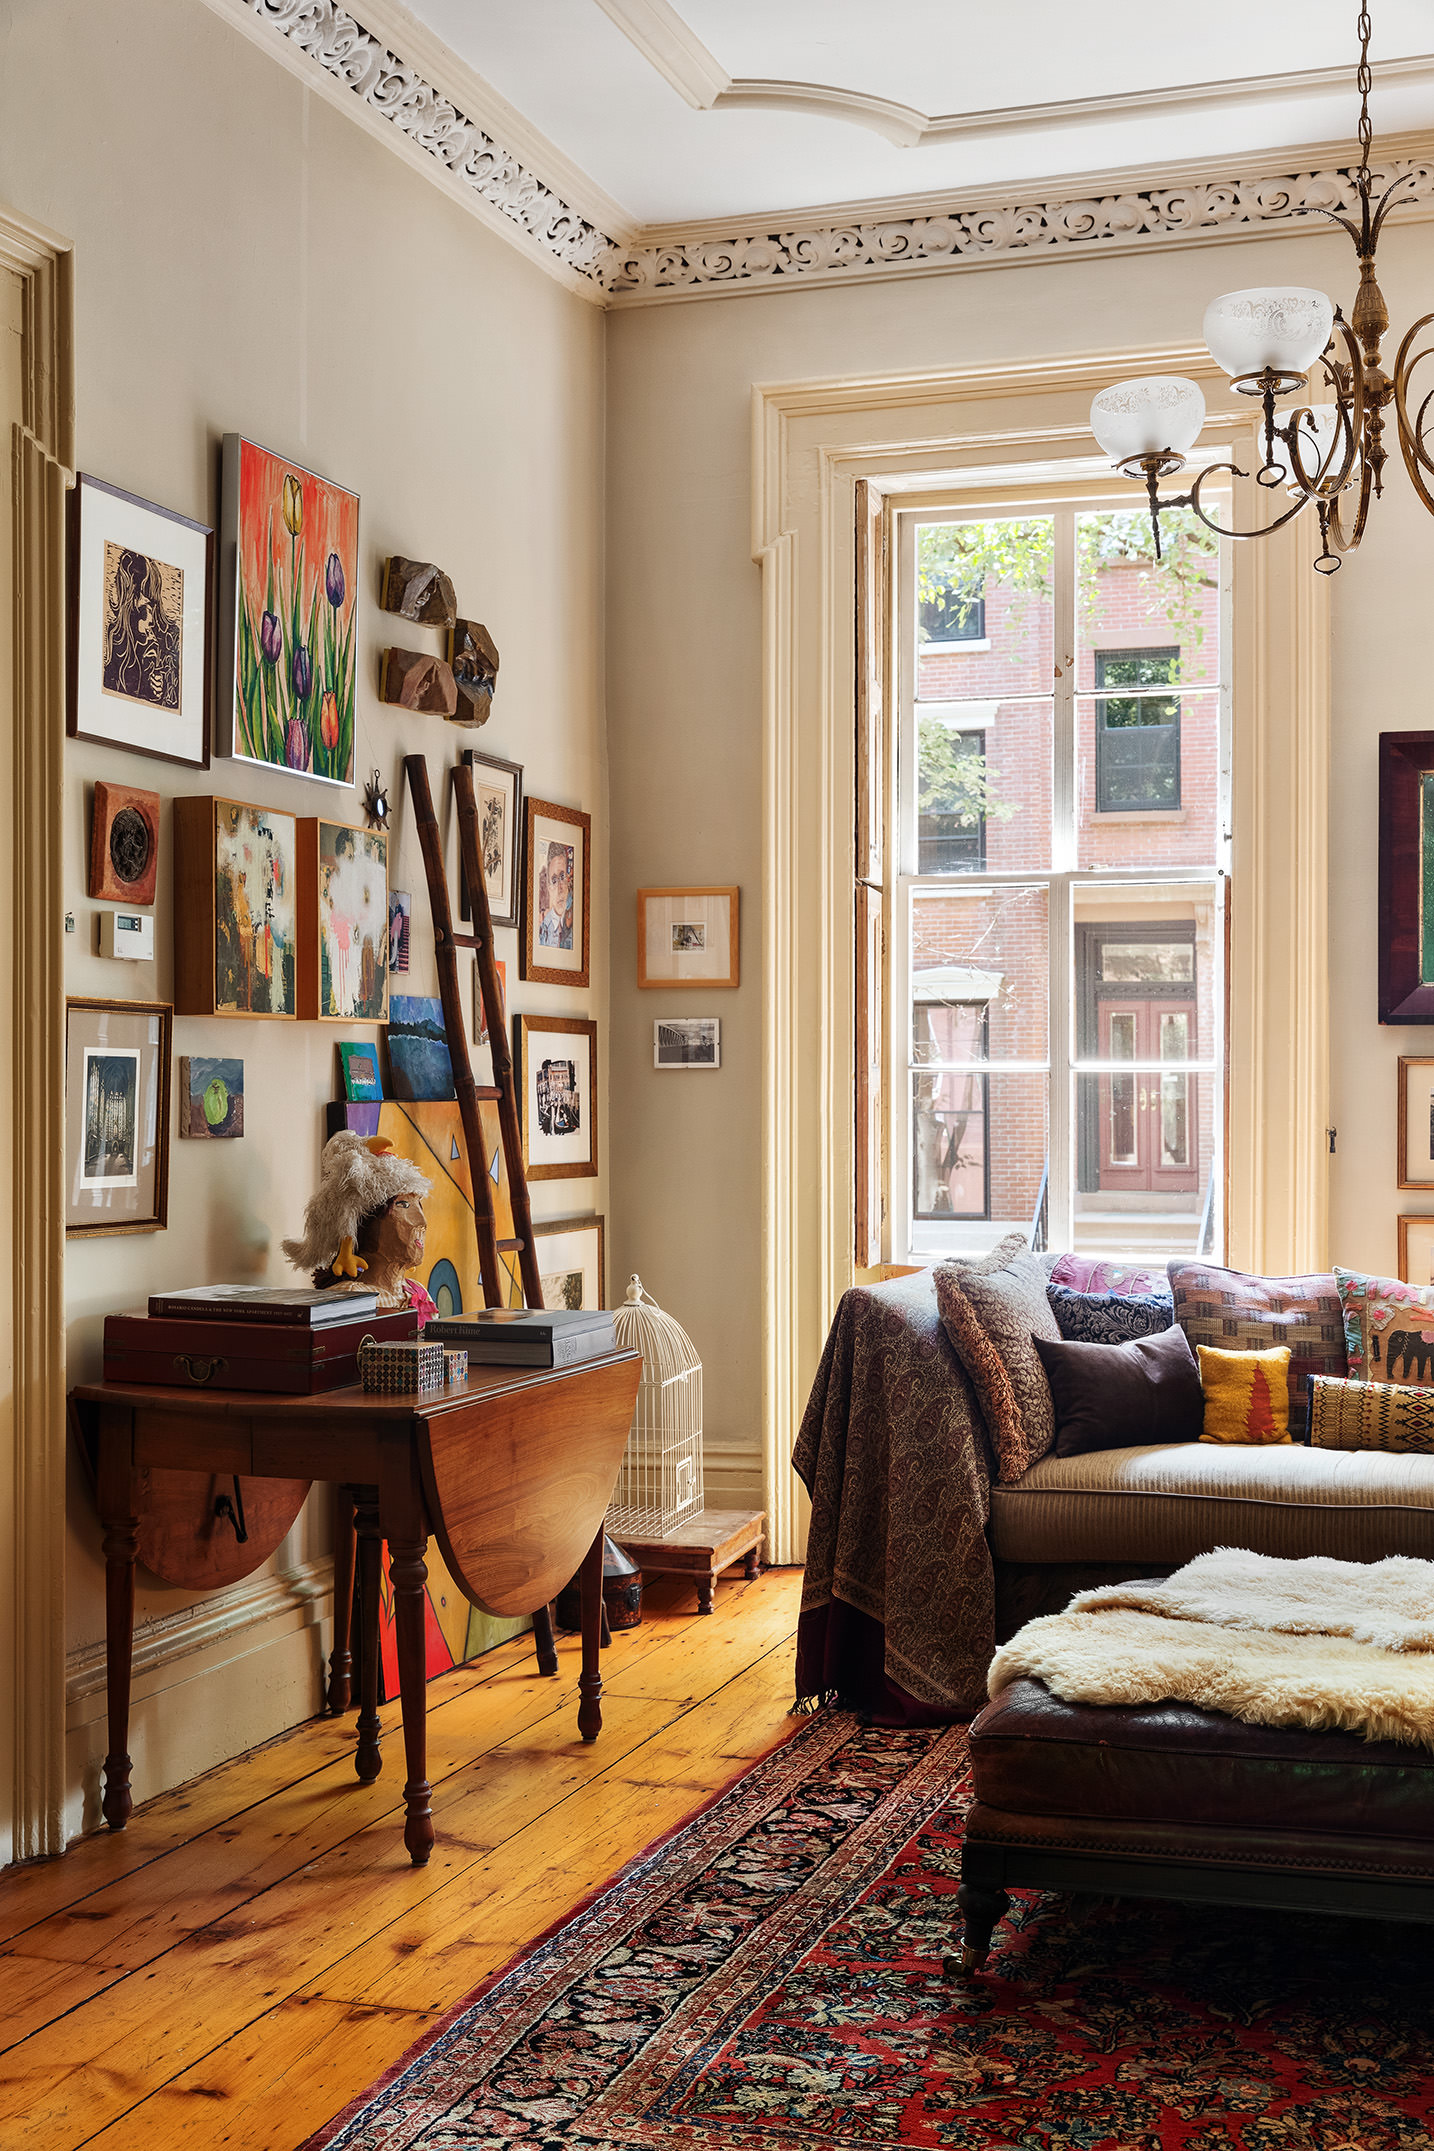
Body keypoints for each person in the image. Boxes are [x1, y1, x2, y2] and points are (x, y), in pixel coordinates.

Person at [538, 842, 573, 949]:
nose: (560, 888)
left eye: (562, 877)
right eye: (554, 881)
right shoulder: (542, 929)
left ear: (568, 879)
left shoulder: (574, 924)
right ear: (548, 887)